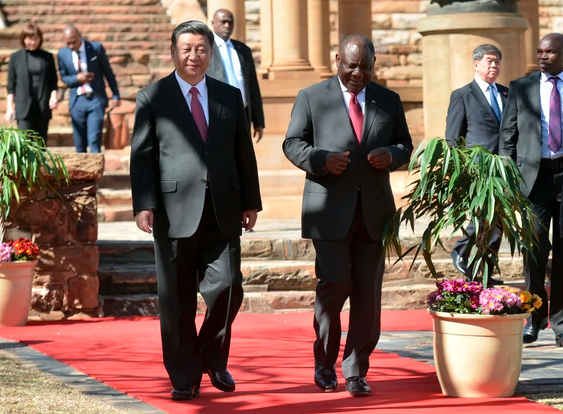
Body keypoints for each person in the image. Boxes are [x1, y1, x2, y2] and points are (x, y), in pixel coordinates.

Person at [130, 20, 262, 400]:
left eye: (201, 49)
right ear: (173, 52)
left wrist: (250, 201)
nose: (194, 56)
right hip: (172, 213)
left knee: (228, 288)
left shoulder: (228, 96)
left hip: (223, 208)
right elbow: (142, 157)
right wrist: (144, 204)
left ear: (210, 52)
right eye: (186, 49)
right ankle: (184, 376)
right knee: (177, 302)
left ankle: (210, 356)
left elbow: (243, 153)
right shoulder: (152, 97)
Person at [283, 34, 413, 397]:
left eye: (365, 66)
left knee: (368, 296)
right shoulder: (312, 97)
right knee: (335, 285)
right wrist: (320, 160)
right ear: (337, 59)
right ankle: (324, 363)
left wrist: (392, 153)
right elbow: (292, 143)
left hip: (374, 215)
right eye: (351, 65)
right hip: (328, 211)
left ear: (374, 64)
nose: (358, 73)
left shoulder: (388, 100)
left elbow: (406, 144)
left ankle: (356, 369)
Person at [500, 33, 563, 347]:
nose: (543, 56)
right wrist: (506, 179)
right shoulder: (520, 87)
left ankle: (561, 322)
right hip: (533, 180)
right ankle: (535, 317)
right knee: (535, 251)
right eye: (539, 51)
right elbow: (507, 137)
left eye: (550, 51)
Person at [446, 44, 507, 285]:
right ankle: (461, 251)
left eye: (498, 62)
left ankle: (485, 276)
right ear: (476, 64)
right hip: (478, 169)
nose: (494, 66)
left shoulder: (506, 93)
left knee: (498, 224)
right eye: (490, 61)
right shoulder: (462, 95)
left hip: (504, 168)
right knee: (484, 216)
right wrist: (459, 170)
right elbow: (453, 138)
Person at [58, 24, 120, 153]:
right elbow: (64, 78)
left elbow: (108, 72)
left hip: (96, 100)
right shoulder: (63, 54)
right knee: (79, 142)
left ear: (79, 36)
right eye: (67, 43)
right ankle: (82, 173)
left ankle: (95, 173)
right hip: (77, 101)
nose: (71, 46)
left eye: (73, 42)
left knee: (94, 140)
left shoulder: (95, 48)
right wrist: (77, 78)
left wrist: (115, 94)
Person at [206, 8, 265, 142]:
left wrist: (258, 121)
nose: (227, 25)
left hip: (242, 114)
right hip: (215, 113)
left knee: (242, 156)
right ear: (213, 23)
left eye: (230, 22)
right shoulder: (205, 48)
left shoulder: (243, 50)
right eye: (223, 22)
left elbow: (252, 86)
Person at [6, 22, 58, 142]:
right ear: (23, 39)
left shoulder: (47, 57)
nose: (32, 42)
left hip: (42, 106)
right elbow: (11, 86)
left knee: (41, 144)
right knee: (25, 143)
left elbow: (53, 81)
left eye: (36, 39)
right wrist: (9, 108)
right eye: (29, 39)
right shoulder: (16, 57)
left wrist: (53, 96)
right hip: (23, 107)